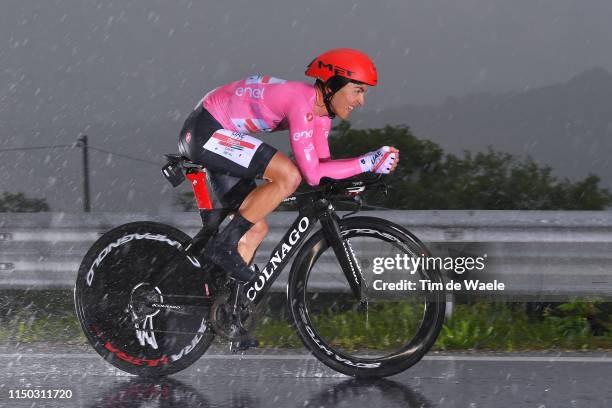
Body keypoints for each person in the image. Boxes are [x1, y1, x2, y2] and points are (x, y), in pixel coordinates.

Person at [177, 48, 399, 283]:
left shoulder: (321, 117)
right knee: (288, 175)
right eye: (358, 91)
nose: (361, 101)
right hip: (205, 131)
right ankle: (224, 245)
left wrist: (363, 174)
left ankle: (221, 306)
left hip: (221, 134)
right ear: (333, 85)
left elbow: (323, 170)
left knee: (255, 228)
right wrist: (367, 162)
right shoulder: (300, 102)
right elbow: (311, 175)